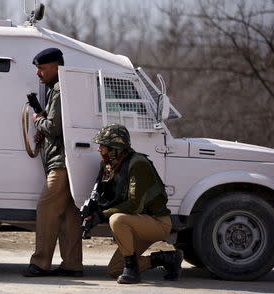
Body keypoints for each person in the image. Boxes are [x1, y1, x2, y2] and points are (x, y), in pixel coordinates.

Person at [87, 123, 183, 284]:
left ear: (115, 147)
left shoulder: (138, 164)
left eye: (102, 145)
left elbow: (133, 205)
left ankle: (132, 271)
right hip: (135, 223)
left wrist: (102, 214)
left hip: (156, 223)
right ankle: (166, 259)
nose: (99, 149)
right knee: (114, 270)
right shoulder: (110, 166)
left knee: (116, 219)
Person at [22, 48, 83, 277]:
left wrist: (38, 121)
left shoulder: (58, 88)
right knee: (68, 215)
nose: (38, 73)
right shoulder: (59, 88)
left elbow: (54, 127)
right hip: (68, 161)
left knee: (46, 210)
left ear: (56, 66)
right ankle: (72, 264)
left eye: (42, 68)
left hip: (61, 163)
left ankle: (40, 263)